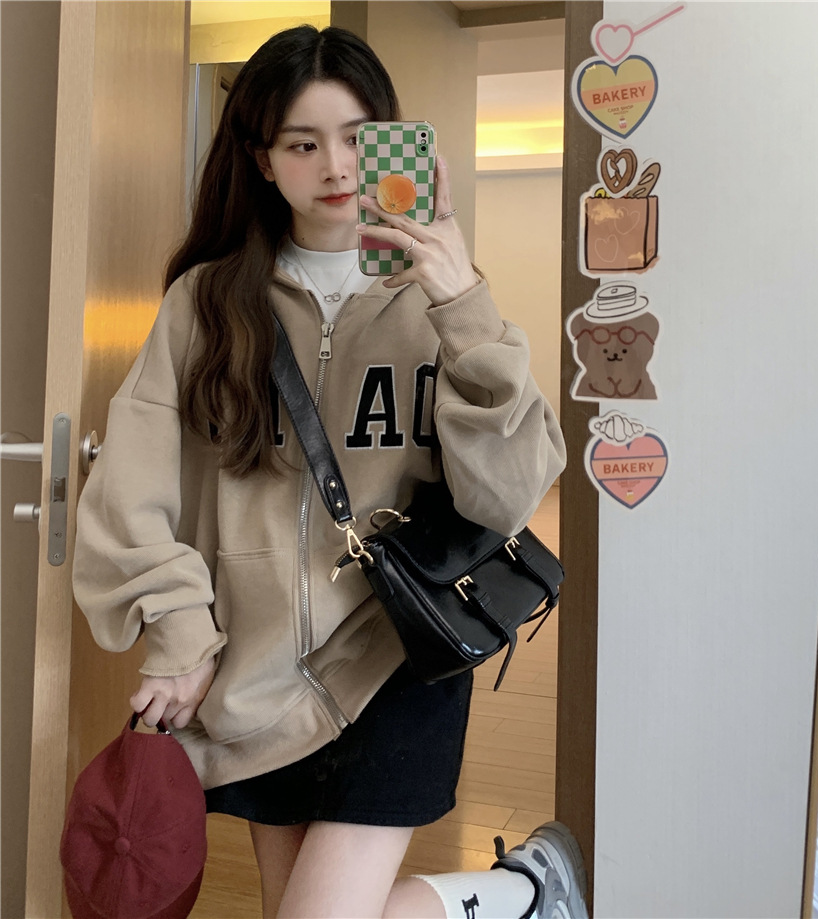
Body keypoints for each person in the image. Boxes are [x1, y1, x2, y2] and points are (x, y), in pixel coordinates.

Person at [72, 24, 586, 919]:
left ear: (390, 139)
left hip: (395, 655)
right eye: (302, 143)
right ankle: (521, 894)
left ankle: (524, 889)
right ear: (263, 160)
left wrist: (463, 305)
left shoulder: (437, 298)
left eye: (356, 137)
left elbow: (506, 493)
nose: (336, 166)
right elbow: (133, 484)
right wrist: (180, 628)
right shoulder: (205, 304)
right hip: (256, 675)